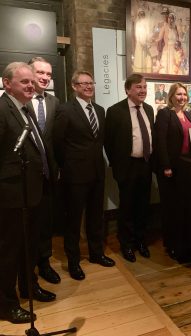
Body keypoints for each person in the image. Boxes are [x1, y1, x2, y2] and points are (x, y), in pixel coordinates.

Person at [0, 62, 56, 324]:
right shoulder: (2, 110)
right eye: (24, 82)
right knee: (10, 251)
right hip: (11, 195)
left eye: (31, 81)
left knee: (29, 247)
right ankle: (6, 304)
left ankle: (29, 287)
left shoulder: (25, 109)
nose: (31, 85)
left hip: (33, 191)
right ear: (6, 83)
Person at [53, 71, 115, 281]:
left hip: (98, 171)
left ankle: (97, 253)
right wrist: (66, 166)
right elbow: (58, 142)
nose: (88, 86)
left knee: (96, 215)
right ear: (74, 86)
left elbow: (100, 141)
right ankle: (73, 261)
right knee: (74, 219)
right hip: (75, 174)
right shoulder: (65, 110)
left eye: (91, 83)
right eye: (84, 83)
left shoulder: (99, 110)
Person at [104, 74, 154, 263]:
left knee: (143, 206)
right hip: (127, 167)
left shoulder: (149, 109)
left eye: (144, 87)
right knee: (126, 208)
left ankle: (141, 242)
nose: (143, 90)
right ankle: (126, 244)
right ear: (127, 90)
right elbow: (108, 142)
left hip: (146, 165)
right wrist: (117, 166)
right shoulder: (115, 111)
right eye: (138, 87)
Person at [27, 56, 61, 284]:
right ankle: (27, 270)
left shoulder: (54, 102)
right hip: (26, 176)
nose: (45, 78)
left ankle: (45, 262)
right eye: (40, 73)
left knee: (46, 222)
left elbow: (55, 139)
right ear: (29, 73)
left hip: (49, 174)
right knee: (29, 225)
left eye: (48, 74)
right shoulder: (18, 101)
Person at [154, 83, 191, 257]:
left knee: (182, 206)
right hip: (170, 169)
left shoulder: (188, 114)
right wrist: (166, 166)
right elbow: (160, 142)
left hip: (186, 167)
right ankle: (170, 242)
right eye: (179, 94)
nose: (182, 98)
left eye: (184, 94)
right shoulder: (164, 114)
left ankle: (183, 240)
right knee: (170, 207)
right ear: (171, 96)